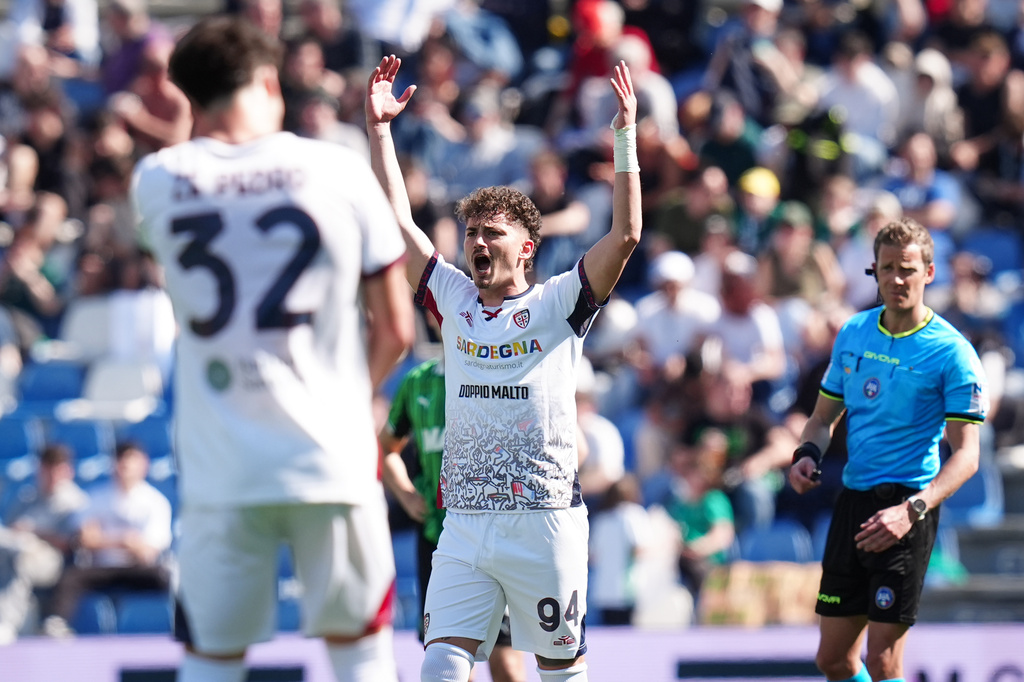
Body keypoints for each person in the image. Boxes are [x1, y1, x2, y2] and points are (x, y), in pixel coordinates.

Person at [131, 16, 415, 682]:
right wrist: (351, 399)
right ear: (267, 82)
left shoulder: (158, 181)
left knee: (211, 662)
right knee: (360, 654)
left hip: (220, 470)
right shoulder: (338, 171)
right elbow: (397, 328)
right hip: (332, 456)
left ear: (188, 97)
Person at [366, 54, 641, 682]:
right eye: (471, 235)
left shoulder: (559, 303)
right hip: (463, 521)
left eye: (493, 232)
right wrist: (380, 132)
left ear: (527, 246)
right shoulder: (454, 299)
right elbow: (395, 223)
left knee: (555, 668)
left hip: (542, 518)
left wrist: (625, 136)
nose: (479, 243)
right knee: (441, 662)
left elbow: (625, 234)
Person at [789, 218, 989, 682]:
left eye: (907, 269)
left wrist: (911, 510)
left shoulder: (951, 353)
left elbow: (968, 455)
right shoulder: (854, 333)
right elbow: (822, 419)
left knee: (883, 661)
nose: (897, 279)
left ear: (929, 273)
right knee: (834, 661)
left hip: (908, 509)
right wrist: (807, 455)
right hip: (854, 503)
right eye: (887, 269)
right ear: (874, 272)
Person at [380, 354, 527, 682]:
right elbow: (387, 445)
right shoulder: (418, 381)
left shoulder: (494, 370)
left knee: (506, 662)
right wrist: (405, 493)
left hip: (491, 534)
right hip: (435, 537)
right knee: (451, 659)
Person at [43, 442, 172, 637]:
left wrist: (104, 540)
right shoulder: (96, 497)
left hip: (139, 570)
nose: (124, 469)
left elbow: (148, 551)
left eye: (130, 463)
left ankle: (185, 627)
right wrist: (125, 541)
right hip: (102, 568)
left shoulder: (155, 502)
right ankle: (56, 624)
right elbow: (84, 540)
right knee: (71, 577)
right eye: (120, 462)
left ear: (143, 465)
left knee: (168, 578)